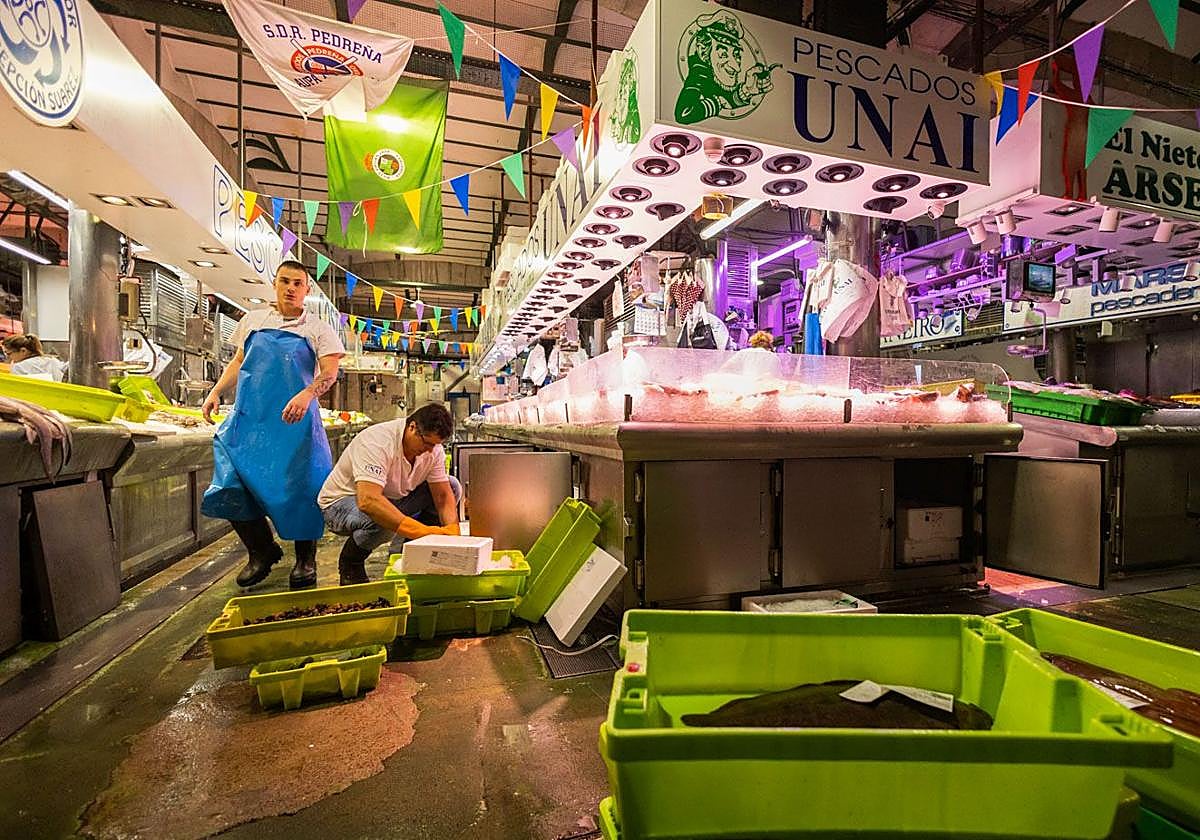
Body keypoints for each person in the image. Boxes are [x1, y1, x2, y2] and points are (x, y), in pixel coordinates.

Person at [200, 260, 344, 590]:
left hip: (296, 426)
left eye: (297, 283)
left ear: (307, 290)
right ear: (275, 285)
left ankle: (305, 560)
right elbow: (238, 362)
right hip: (250, 422)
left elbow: (330, 372)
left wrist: (307, 395)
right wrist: (216, 391)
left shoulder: (318, 329)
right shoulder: (252, 321)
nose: (291, 288)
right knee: (229, 486)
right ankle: (261, 550)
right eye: (285, 281)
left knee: (302, 490)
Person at [319, 403, 462, 585]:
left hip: (389, 498)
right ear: (412, 428)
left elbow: (442, 496)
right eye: (427, 443)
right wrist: (424, 531)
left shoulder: (432, 450)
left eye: (436, 445)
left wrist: (452, 533)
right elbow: (368, 501)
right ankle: (351, 562)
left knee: (452, 486)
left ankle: (415, 552)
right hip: (340, 504)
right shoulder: (377, 442)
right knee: (380, 517)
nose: (430, 450)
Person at [2, 335, 67, 381]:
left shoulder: (18, 367)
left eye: (8, 354)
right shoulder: (52, 361)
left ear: (23, 351)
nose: (7, 357)